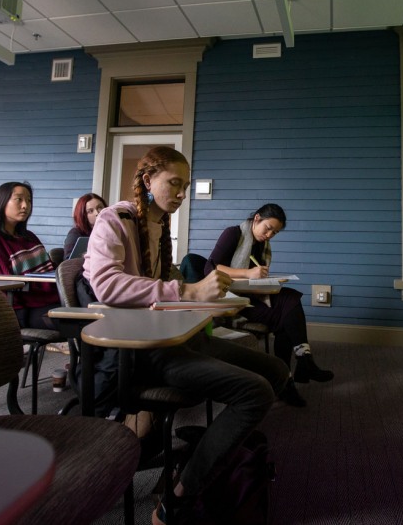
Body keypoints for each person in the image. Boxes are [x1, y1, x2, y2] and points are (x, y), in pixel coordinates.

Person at [82, 146, 300, 525]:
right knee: (256, 391)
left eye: (185, 186)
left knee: (277, 371)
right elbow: (105, 285)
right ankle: (178, 498)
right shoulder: (114, 218)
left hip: (176, 334)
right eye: (174, 184)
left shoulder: (160, 224)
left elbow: (165, 282)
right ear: (149, 180)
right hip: (145, 349)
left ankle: (217, 452)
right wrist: (188, 292)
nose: (182, 194)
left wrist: (205, 299)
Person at [206, 203, 334, 383]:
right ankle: (296, 371)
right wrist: (247, 273)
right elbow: (211, 268)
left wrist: (265, 279)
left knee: (290, 298)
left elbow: (253, 279)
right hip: (233, 300)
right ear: (257, 219)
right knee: (286, 314)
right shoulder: (233, 233)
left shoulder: (261, 244)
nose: (269, 235)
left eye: (274, 233)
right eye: (268, 229)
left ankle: (294, 371)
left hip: (252, 294)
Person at [0, 181, 59, 329]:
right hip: (21, 311)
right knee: (87, 323)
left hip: (51, 300)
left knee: (97, 314)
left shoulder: (29, 237)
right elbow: (2, 285)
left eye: (28, 200)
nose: (25, 206)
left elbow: (47, 271)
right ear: (2, 202)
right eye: (19, 199)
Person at [63, 192, 106, 257]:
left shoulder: (112, 231)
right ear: (83, 216)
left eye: (100, 207)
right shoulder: (75, 233)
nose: (97, 213)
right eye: (90, 211)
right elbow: (68, 262)